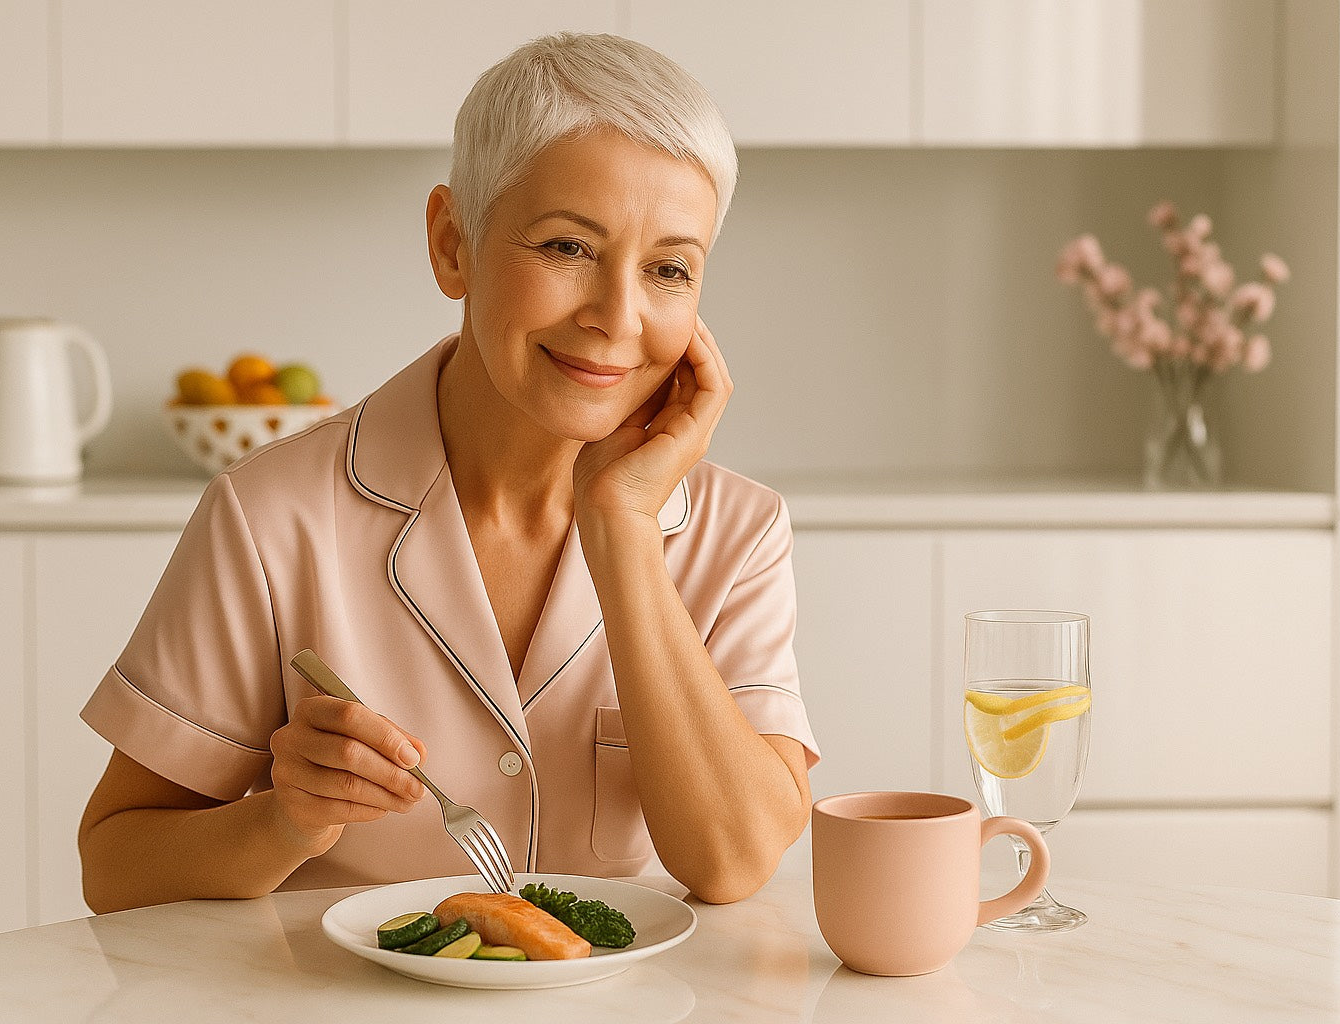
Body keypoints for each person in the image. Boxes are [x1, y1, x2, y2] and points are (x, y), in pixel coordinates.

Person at [78, 32, 819, 913]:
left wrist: (623, 533)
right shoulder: (273, 514)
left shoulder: (739, 532)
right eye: (566, 248)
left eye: (668, 269)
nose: (618, 317)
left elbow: (732, 864)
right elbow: (115, 865)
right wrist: (284, 820)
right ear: (452, 244)